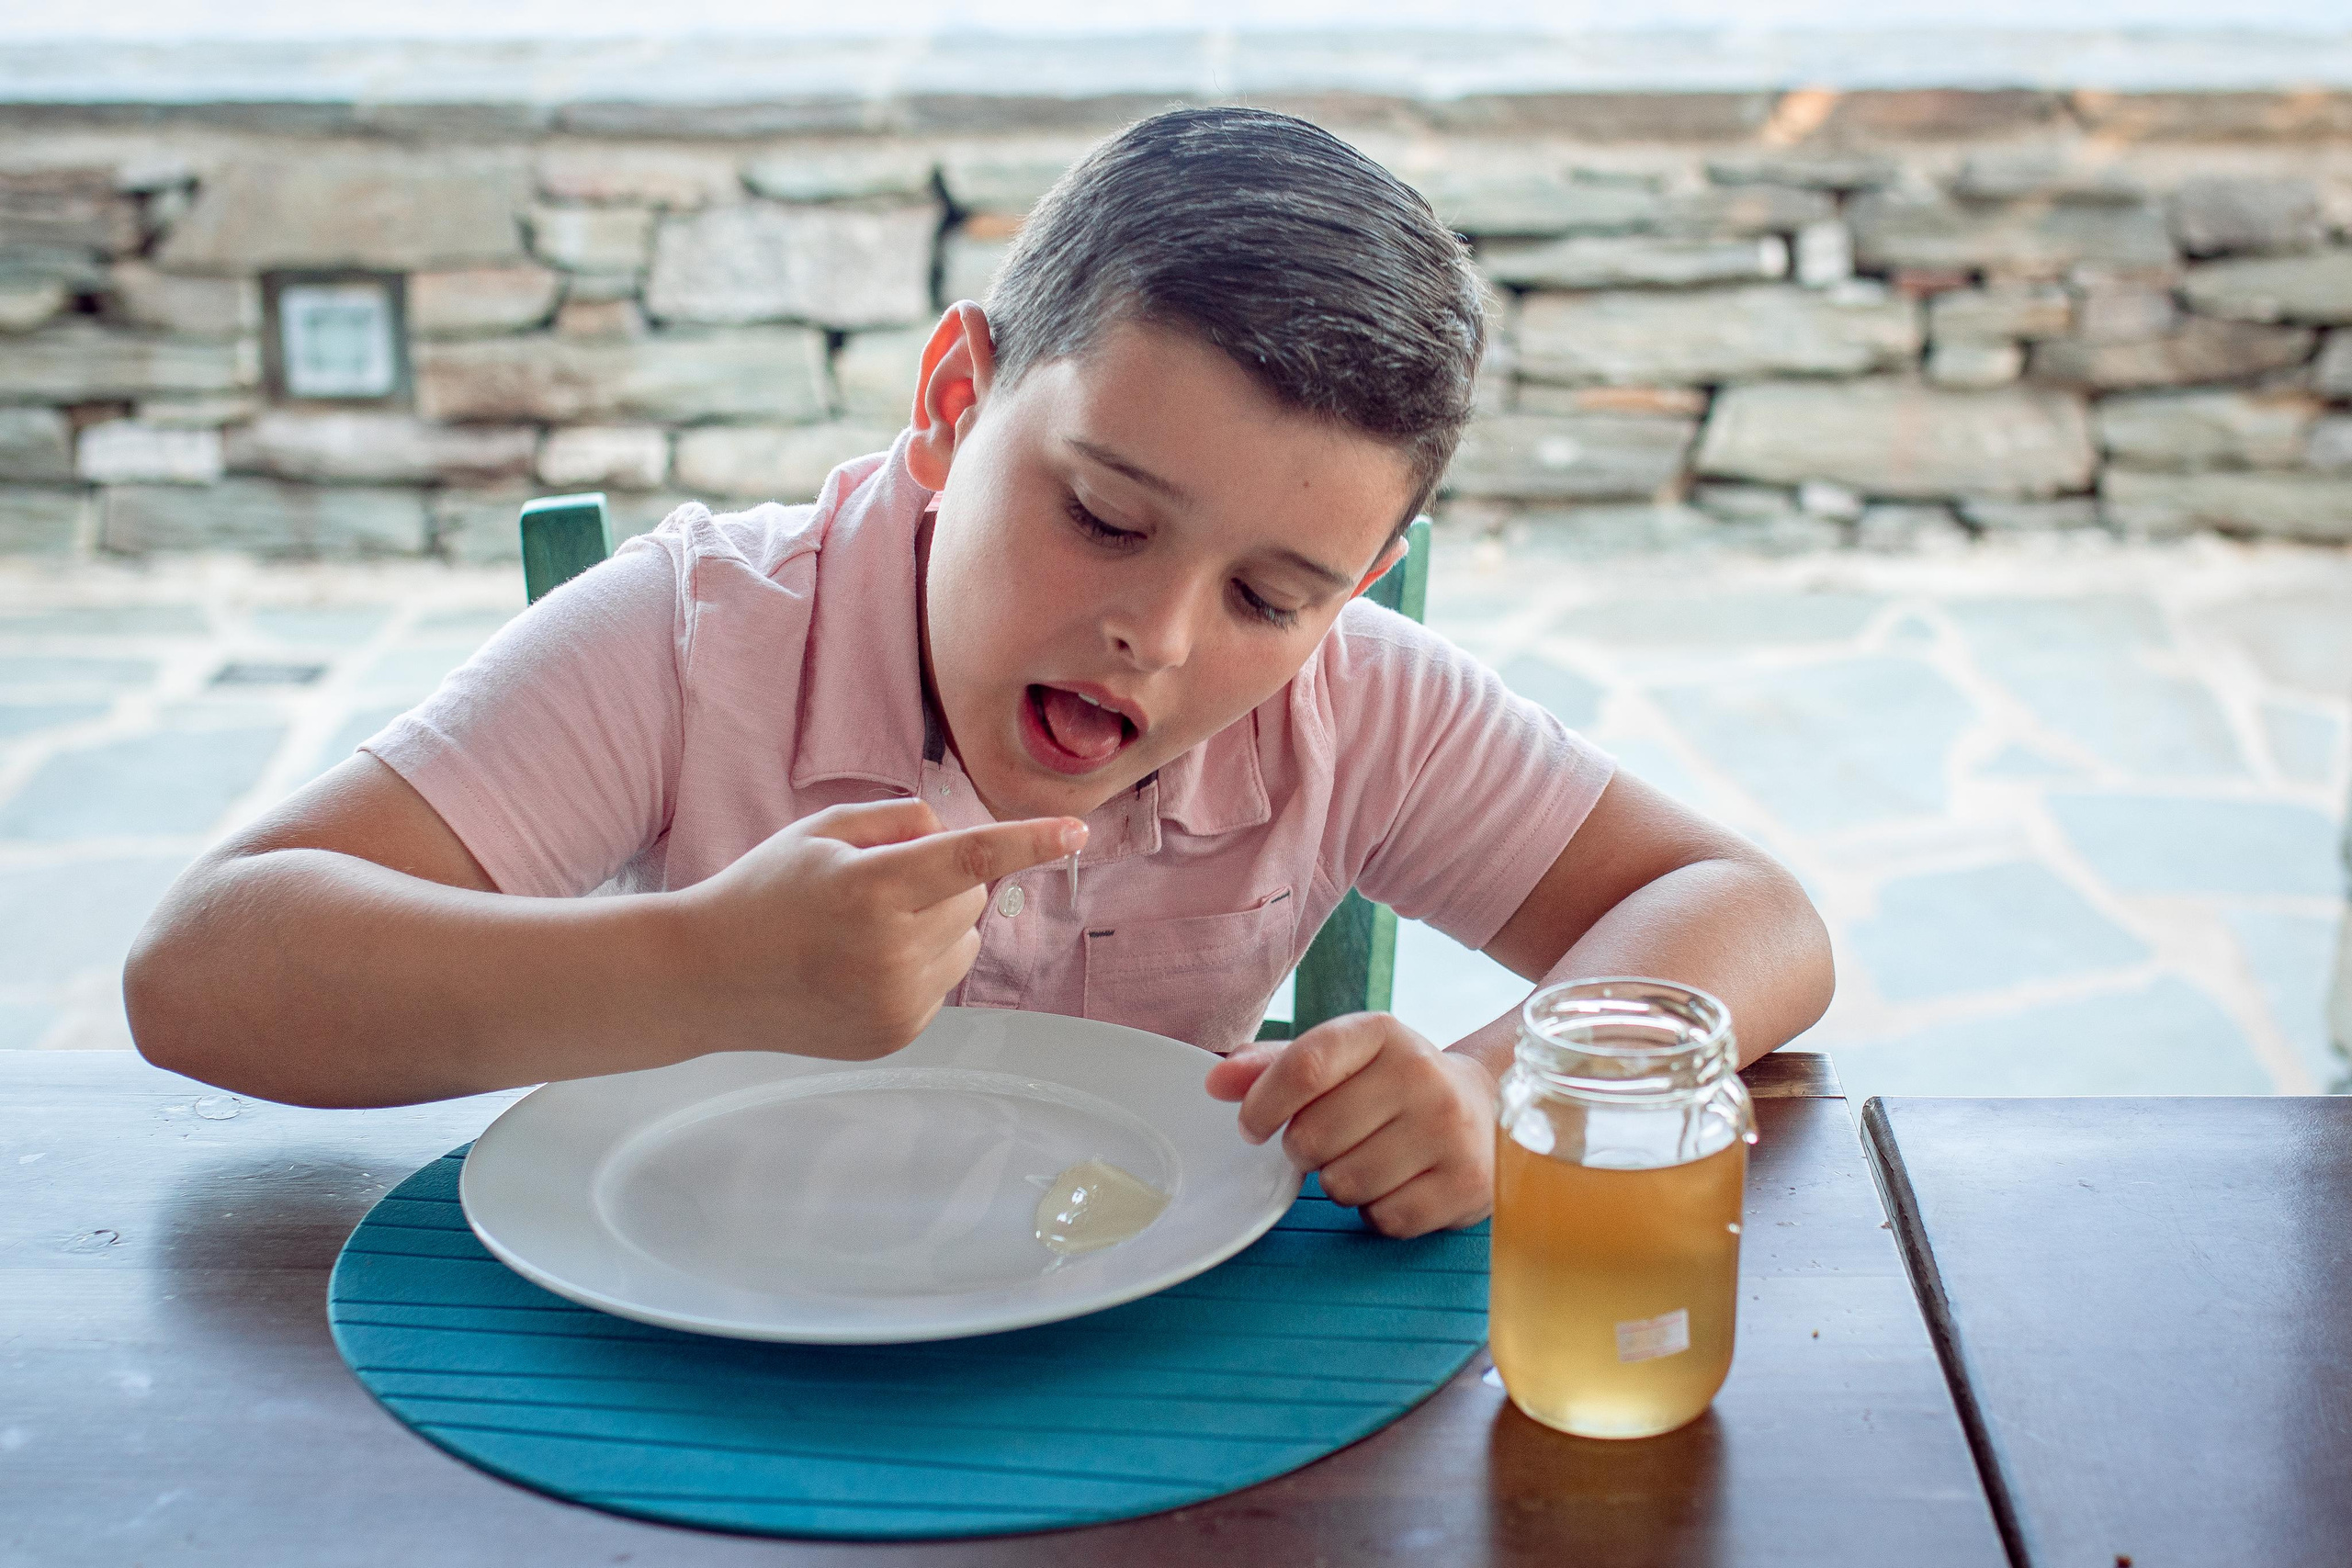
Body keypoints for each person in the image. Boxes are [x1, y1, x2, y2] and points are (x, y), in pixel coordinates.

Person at [125, 107, 1833, 1239]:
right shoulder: (697, 635)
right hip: (705, 1342)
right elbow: (197, 973)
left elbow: (1750, 912)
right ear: (954, 400)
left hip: (1135, 1356)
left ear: (1358, 588)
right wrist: (697, 968)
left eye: (1272, 593)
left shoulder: (1348, 700)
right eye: (1101, 515)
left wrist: (1488, 1088)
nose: (1158, 639)